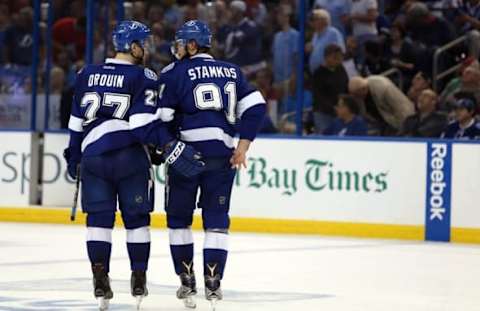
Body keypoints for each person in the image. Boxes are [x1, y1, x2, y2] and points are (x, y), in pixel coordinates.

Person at [63, 20, 204, 310]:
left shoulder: (86, 73)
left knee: (98, 223)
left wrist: (73, 156)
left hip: (93, 158)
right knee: (137, 223)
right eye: (145, 42)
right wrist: (165, 146)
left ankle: (100, 277)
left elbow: (75, 123)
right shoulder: (144, 76)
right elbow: (143, 125)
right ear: (133, 46)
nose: (148, 48)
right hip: (130, 158)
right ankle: (138, 277)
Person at [159, 20, 266, 309]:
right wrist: (242, 147)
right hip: (222, 157)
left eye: (182, 43)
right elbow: (256, 107)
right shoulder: (232, 71)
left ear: (192, 45)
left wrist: (169, 145)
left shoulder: (175, 73)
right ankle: (214, 283)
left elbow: (164, 118)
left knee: (179, 221)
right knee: (217, 221)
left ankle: (187, 281)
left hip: (186, 156)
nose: (178, 48)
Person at [349, 75, 415, 135]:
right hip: (384, 121)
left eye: (356, 94)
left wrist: (406, 129)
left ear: (363, 89)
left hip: (401, 120)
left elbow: (402, 107)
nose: (355, 97)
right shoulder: (361, 90)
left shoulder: (383, 88)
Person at [312, 44, 349, 134]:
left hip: (340, 112)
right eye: (335, 58)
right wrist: (333, 108)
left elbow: (346, 86)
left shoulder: (341, 69)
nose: (338, 60)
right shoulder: (318, 73)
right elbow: (318, 96)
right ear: (326, 57)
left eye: (340, 58)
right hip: (323, 112)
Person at [307, 9, 345, 74]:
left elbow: (340, 52)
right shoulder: (315, 35)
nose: (312, 22)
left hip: (329, 73)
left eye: (314, 19)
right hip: (317, 74)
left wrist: (328, 65)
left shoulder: (333, 33)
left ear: (324, 20)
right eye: (311, 20)